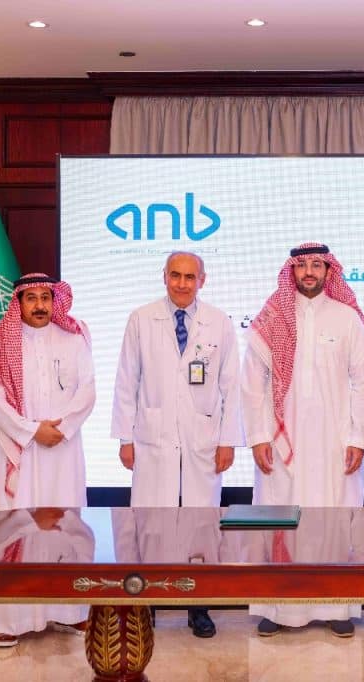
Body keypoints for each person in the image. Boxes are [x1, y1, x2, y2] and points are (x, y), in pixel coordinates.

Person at [111, 251, 243, 638]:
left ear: (203, 280)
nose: (182, 284)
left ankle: (198, 606)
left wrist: (228, 440)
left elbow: (231, 386)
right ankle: (148, 603)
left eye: (190, 277)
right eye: (175, 275)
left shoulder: (218, 322)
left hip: (203, 441)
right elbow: (126, 381)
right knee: (151, 525)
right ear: (164, 276)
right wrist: (125, 438)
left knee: (201, 526)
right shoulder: (141, 319)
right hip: (152, 440)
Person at [241, 242, 364, 638]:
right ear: (292, 271)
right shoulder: (272, 317)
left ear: (329, 270)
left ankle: (336, 606)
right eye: (302, 266)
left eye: (317, 265)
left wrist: (358, 436)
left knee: (333, 521)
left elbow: (362, 382)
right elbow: (253, 384)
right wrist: (259, 436)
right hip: (283, 442)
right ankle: (278, 608)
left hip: (335, 442)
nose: (309, 272)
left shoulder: (347, 318)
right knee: (281, 517)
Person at [0, 273, 95, 647]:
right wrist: (31, 431)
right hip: (17, 450)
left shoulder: (74, 337)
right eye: (31, 298)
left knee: (65, 529)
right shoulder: (0, 341)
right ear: (19, 303)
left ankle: (69, 612)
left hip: (63, 452)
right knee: (13, 532)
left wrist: (63, 428)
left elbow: (88, 391)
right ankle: (10, 621)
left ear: (55, 300)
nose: (40, 305)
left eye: (45, 297)